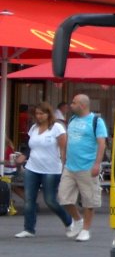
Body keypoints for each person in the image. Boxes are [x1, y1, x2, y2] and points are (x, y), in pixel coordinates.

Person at [13, 102, 74, 238]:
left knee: (50, 200)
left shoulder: (57, 128)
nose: (39, 116)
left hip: (51, 169)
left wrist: (65, 166)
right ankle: (29, 229)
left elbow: (64, 148)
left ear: (48, 114)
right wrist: (24, 155)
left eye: (42, 114)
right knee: (29, 199)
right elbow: (30, 146)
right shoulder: (34, 128)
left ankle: (68, 221)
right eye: (37, 114)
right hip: (32, 167)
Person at [58, 94, 108, 243]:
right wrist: (64, 157)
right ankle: (78, 220)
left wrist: (97, 164)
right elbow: (68, 140)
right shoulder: (72, 119)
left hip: (87, 166)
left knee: (89, 200)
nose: (71, 105)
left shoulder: (96, 121)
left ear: (82, 105)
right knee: (63, 197)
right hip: (70, 166)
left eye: (74, 103)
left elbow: (102, 144)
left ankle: (85, 229)